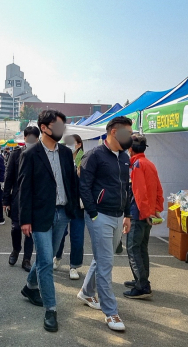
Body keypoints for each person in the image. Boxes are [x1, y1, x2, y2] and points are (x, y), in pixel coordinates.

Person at [18, 110, 77, 333]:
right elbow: (25, 189)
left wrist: (73, 209)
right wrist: (25, 219)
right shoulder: (30, 154)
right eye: (58, 126)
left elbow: (71, 182)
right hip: (40, 216)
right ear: (44, 127)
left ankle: (30, 286)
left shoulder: (65, 153)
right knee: (45, 263)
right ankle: (51, 309)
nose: (62, 131)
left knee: (47, 257)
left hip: (62, 213)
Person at [77, 116, 134, 332]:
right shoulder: (94, 156)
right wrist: (93, 214)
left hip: (118, 216)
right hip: (99, 216)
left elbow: (126, 189)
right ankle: (111, 312)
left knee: (101, 259)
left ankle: (86, 292)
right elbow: (84, 187)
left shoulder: (124, 158)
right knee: (106, 264)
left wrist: (127, 215)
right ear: (113, 132)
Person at [124, 134, 163, 300]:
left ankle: (142, 285)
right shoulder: (149, 164)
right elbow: (158, 190)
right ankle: (142, 280)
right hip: (146, 212)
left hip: (138, 213)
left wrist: (147, 213)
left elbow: (139, 193)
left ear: (130, 149)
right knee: (141, 248)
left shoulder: (137, 165)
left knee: (133, 249)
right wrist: (155, 210)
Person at [3, 126, 39, 272]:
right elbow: (9, 178)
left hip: (35, 198)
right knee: (16, 228)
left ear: (38, 139)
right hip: (18, 196)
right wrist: (5, 201)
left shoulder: (41, 154)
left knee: (30, 230)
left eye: (34, 138)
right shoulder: (16, 154)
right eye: (28, 138)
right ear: (24, 138)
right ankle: (16, 250)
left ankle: (27, 259)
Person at [54, 134, 86, 280]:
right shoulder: (62, 159)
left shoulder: (85, 160)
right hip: (64, 204)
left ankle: (74, 266)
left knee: (77, 237)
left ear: (79, 144)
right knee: (60, 235)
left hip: (79, 205)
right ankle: (57, 257)